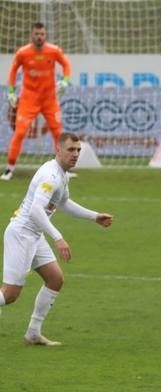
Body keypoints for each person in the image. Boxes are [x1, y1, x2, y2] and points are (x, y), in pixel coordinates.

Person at [1, 132, 113, 345]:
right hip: (22, 234)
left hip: (34, 234)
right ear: (58, 150)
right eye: (71, 150)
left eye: (78, 150)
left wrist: (94, 217)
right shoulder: (51, 176)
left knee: (55, 279)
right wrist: (58, 237)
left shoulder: (61, 174)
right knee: (10, 295)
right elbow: (35, 210)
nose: (76, 154)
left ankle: (33, 333)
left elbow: (64, 203)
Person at [3, 22, 71, 181]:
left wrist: (66, 81)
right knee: (19, 132)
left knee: (58, 133)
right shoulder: (23, 53)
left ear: (45, 35)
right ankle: (9, 169)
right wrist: (11, 91)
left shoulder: (54, 51)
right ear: (31, 35)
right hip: (29, 99)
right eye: (36, 34)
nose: (39, 36)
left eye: (42, 34)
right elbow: (13, 70)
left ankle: (63, 170)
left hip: (49, 99)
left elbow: (66, 65)